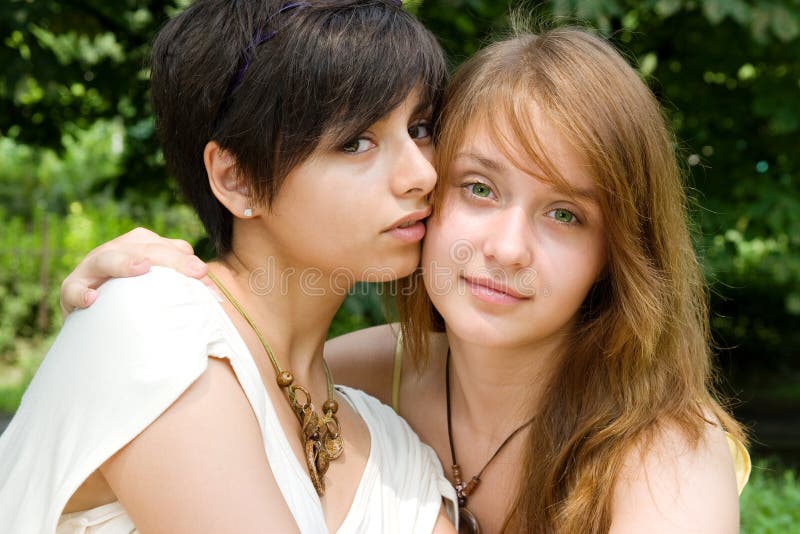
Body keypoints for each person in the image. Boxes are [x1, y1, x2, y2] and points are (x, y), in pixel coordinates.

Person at [58, 25, 751, 534]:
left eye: (565, 215)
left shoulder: (663, 449)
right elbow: (214, 370)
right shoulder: (358, 377)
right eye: (479, 188)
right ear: (433, 197)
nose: (507, 249)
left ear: (618, 255)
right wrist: (129, 302)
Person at [0, 1, 458, 532]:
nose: (422, 173)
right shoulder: (158, 326)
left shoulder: (390, 449)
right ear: (236, 178)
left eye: (422, 128)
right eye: (356, 142)